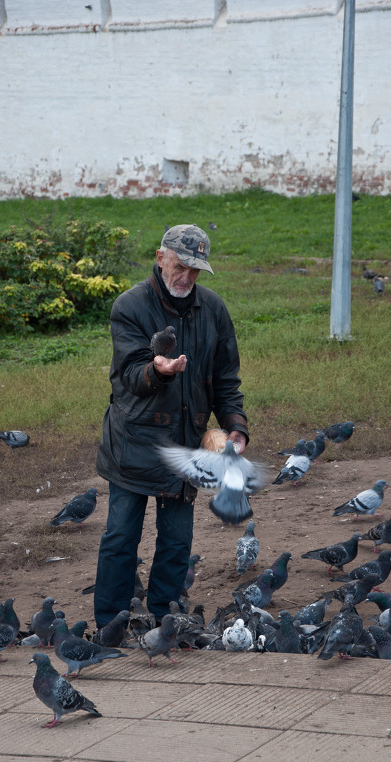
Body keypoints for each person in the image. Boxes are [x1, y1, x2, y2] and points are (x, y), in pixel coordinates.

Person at [94, 224, 249, 627]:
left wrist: (235, 427)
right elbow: (128, 375)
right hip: (133, 444)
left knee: (177, 541)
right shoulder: (130, 306)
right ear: (161, 257)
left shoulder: (213, 310)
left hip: (184, 446)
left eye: (195, 271)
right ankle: (111, 622)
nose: (186, 278)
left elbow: (226, 379)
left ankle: (165, 617)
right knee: (121, 539)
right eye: (180, 266)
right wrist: (158, 371)